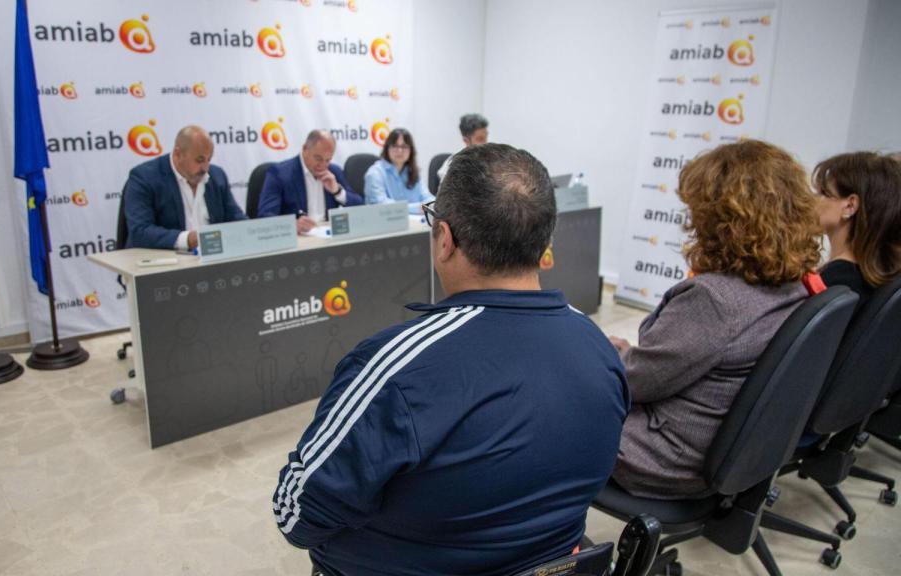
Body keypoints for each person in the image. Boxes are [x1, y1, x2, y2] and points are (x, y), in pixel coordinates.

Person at [273, 144, 630, 575]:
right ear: (545, 242)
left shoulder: (394, 369)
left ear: (445, 239)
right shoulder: (600, 348)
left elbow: (296, 515)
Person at [608, 140, 822, 500]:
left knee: (546, 405)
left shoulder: (713, 299)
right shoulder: (794, 285)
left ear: (722, 221)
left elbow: (634, 383)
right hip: (726, 452)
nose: (691, 221)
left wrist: (602, 358)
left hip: (662, 457)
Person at [122, 125, 246, 250]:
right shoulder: (145, 178)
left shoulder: (217, 176)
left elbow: (235, 218)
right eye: (199, 160)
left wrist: (253, 230)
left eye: (209, 159)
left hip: (212, 260)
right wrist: (187, 239)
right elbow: (140, 232)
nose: (205, 168)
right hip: (165, 261)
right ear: (178, 154)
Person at [814, 152, 901, 306]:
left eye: (824, 193)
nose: (813, 200)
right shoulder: (881, 279)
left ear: (849, 206)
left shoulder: (833, 283)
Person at [256, 130, 363, 235]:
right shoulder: (279, 173)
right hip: (298, 241)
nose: (323, 165)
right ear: (305, 149)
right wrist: (292, 226)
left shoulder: (334, 171)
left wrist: (338, 192)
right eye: (318, 158)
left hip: (328, 238)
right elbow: (265, 217)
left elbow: (361, 207)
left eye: (328, 160)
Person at [363, 128, 432, 214]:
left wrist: (432, 204)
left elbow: (427, 197)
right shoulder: (375, 173)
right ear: (387, 148)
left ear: (411, 150)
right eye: (395, 146)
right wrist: (417, 208)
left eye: (404, 146)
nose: (399, 151)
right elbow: (380, 205)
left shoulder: (413, 172)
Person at [437, 113, 489, 182]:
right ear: (466, 140)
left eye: (486, 137)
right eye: (480, 139)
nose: (485, 143)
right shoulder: (451, 166)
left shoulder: (490, 160)